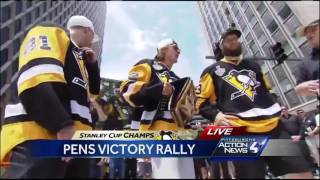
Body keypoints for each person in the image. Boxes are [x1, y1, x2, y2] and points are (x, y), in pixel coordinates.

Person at [195, 28, 313, 179]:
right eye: (228, 39)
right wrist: (216, 116)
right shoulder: (211, 71)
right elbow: (200, 101)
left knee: (301, 173)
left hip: (273, 128)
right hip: (239, 132)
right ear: (221, 46)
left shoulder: (254, 66)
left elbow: (268, 90)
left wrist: (276, 105)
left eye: (235, 38)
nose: (233, 41)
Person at [1, 15, 101, 178]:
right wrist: (61, 124)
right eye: (93, 37)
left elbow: (92, 95)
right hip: (45, 134)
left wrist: (92, 66)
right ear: (88, 30)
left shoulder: (78, 57)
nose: (92, 41)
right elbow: (36, 78)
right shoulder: (51, 31)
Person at [120, 38, 196, 178]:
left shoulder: (177, 78)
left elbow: (185, 113)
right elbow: (127, 92)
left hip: (182, 137)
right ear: (163, 49)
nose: (179, 51)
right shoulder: (147, 65)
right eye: (175, 47)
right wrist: (159, 89)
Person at [294, 17, 319, 97]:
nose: (308, 35)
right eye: (305, 33)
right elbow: (299, 88)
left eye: (313, 29)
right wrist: (300, 89)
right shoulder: (305, 63)